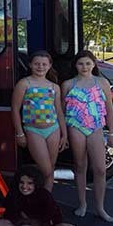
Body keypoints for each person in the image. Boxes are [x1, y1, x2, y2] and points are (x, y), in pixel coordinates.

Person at [61, 50, 113, 222]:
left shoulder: (101, 83)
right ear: (75, 65)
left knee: (100, 168)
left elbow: (109, 109)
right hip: (76, 126)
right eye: (80, 63)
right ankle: (82, 203)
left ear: (94, 64)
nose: (84, 67)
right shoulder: (68, 84)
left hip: (96, 127)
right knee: (80, 165)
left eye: (87, 63)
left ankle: (100, 207)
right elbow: (62, 112)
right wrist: (64, 134)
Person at [11, 51, 67, 191]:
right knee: (46, 169)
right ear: (30, 65)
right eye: (36, 64)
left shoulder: (54, 87)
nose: (40, 67)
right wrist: (19, 133)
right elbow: (15, 109)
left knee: (51, 168)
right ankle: (38, 197)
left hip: (53, 129)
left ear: (49, 66)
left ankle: (46, 200)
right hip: (33, 130)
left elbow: (59, 111)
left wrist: (64, 134)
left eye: (44, 64)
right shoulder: (24, 83)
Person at [0, 165, 78, 226]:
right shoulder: (14, 194)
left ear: (36, 184)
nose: (25, 186)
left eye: (30, 183)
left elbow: (57, 219)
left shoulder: (44, 195)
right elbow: (8, 215)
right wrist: (22, 225)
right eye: (22, 182)